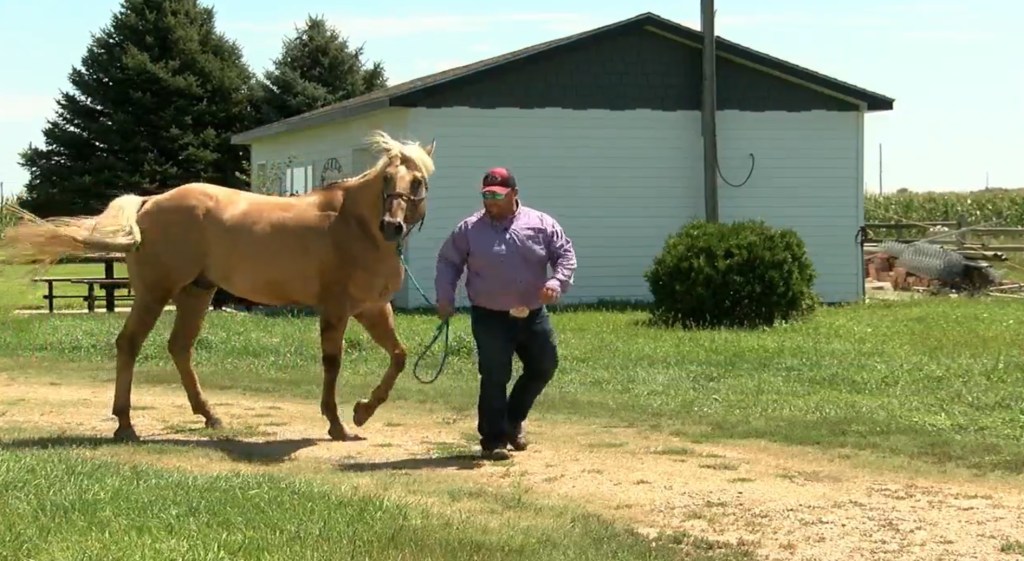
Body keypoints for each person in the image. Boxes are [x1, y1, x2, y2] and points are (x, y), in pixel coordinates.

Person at [435, 167, 578, 461]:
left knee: (544, 366)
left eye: (497, 195)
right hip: (489, 315)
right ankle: (493, 439)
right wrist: (445, 296)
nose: (490, 201)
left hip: (532, 313)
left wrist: (556, 281)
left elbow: (564, 254)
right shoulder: (469, 229)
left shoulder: (540, 224)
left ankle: (512, 421)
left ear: (514, 194)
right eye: (486, 195)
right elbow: (448, 261)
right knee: (495, 374)